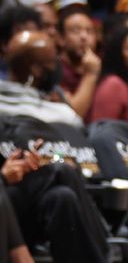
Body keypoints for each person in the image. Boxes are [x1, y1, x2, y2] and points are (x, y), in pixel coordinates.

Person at [0, 30, 109, 263]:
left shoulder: (53, 102)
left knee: (62, 198)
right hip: (3, 200)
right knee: (61, 171)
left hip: (14, 205)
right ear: (37, 69)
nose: (58, 67)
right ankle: (104, 255)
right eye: (53, 62)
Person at [57, 8, 102, 119]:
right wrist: (90, 75)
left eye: (90, 31)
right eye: (76, 31)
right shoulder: (55, 70)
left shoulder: (103, 66)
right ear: (61, 38)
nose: (84, 37)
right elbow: (73, 117)